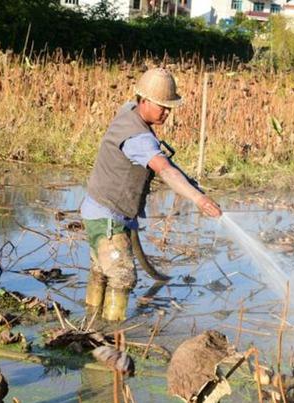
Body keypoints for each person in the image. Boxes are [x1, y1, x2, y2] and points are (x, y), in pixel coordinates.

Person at [80, 68, 222, 322]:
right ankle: (111, 333)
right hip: (107, 215)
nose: (166, 113)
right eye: (161, 106)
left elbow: (166, 163)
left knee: (102, 270)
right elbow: (165, 169)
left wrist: (192, 185)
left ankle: (89, 325)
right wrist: (199, 199)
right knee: (123, 276)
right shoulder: (138, 139)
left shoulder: (129, 112)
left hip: (98, 207)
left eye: (169, 107)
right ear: (143, 100)